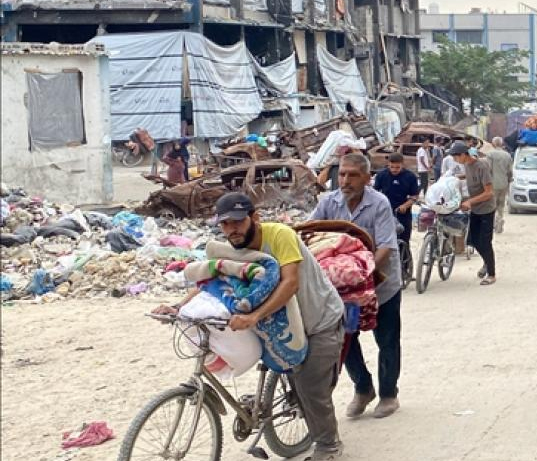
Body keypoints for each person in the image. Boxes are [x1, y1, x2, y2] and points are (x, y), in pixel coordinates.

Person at [157, 193, 346, 460]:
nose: (232, 230)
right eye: (225, 224)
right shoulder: (231, 249)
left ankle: (328, 445)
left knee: (309, 385)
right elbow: (213, 282)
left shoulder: (279, 235)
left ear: (254, 218)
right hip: (284, 319)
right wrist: (178, 307)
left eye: (237, 222)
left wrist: (254, 316)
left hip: (319, 319)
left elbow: (290, 282)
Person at [312, 154, 404, 421]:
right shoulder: (328, 202)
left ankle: (389, 394)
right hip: (342, 290)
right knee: (345, 340)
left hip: (381, 284)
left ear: (366, 177)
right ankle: (363, 388)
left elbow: (386, 244)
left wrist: (364, 275)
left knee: (386, 340)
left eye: (352, 175)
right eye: (342, 174)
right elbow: (309, 231)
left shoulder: (379, 203)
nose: (345, 180)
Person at [451, 142, 498, 285]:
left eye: (456, 156)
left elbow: (489, 193)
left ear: (464, 155)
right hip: (476, 209)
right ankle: (486, 262)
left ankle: (492, 274)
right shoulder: (466, 165)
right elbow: (469, 177)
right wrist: (455, 178)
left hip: (486, 209)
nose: (455, 160)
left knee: (485, 241)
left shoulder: (481, 166)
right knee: (473, 241)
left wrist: (469, 202)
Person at [373, 152, 420, 252]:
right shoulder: (381, 175)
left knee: (404, 241)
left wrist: (405, 205)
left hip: (403, 213)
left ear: (402, 165)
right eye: (392, 167)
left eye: (397, 167)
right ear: (388, 164)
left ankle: (405, 265)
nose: (394, 170)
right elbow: (375, 193)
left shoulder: (410, 177)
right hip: (385, 212)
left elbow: (414, 196)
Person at [486, 137, 514, 234]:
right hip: (504, 183)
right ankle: (500, 218)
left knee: (492, 205)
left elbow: (488, 169)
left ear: (493, 144)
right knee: (501, 205)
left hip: (492, 184)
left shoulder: (490, 154)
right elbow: (510, 171)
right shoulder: (507, 155)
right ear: (501, 144)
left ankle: (494, 222)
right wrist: (509, 180)